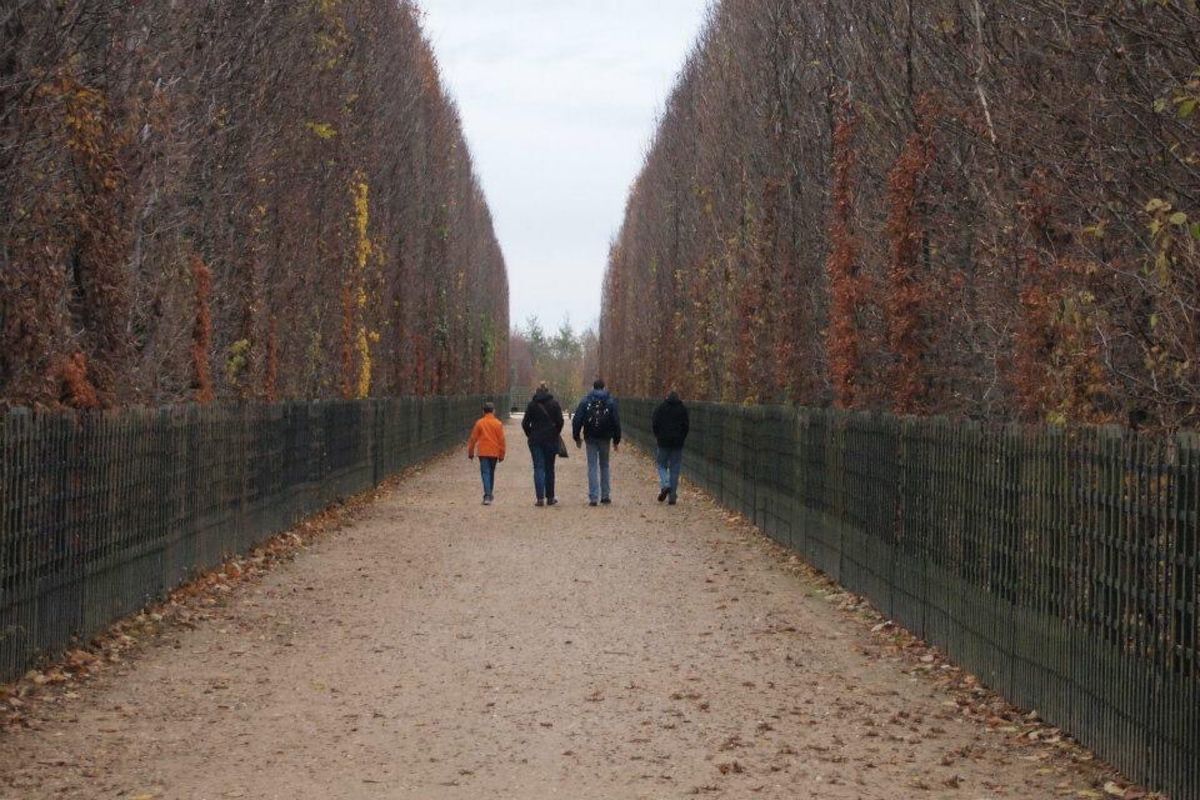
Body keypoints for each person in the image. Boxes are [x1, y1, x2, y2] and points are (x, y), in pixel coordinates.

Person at [573, 379, 622, 507]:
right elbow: (616, 421)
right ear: (604, 387)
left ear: (593, 387)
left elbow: (577, 420)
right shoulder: (610, 401)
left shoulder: (586, 400)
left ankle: (593, 497)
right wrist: (616, 440)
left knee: (592, 466)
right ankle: (605, 496)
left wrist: (577, 437)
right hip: (605, 437)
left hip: (590, 436)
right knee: (604, 465)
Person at [521, 382, 564, 507]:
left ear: (537, 392)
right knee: (550, 468)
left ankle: (540, 498)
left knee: (538, 468)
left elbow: (525, 423)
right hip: (551, 439)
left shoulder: (532, 405)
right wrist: (555, 432)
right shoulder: (554, 404)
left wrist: (530, 434)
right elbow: (560, 422)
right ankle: (550, 497)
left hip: (536, 439)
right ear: (548, 391)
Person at [651, 390, 689, 505]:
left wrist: (658, 436)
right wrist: (682, 438)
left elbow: (655, 423)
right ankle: (672, 496)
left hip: (663, 442)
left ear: (667, 397)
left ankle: (666, 484)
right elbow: (686, 426)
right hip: (677, 443)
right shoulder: (682, 409)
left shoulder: (661, 408)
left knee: (661, 465)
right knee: (675, 469)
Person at [467, 401, 506, 505]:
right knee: (491, 472)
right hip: (494, 452)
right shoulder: (498, 423)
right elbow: (502, 440)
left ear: (483, 411)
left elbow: (473, 439)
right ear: (493, 411)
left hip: (483, 452)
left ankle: (487, 495)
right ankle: (489, 493)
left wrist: (471, 452)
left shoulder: (479, 423)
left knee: (485, 473)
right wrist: (502, 454)